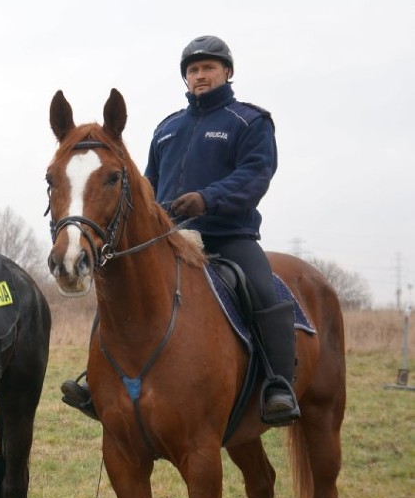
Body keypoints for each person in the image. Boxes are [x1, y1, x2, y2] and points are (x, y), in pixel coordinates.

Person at [61, 35, 300, 427]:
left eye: (208, 68)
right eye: (192, 70)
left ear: (227, 72)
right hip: (170, 237)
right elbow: (147, 183)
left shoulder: (250, 121)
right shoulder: (168, 127)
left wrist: (208, 199)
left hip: (229, 236)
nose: (200, 76)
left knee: (259, 286)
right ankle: (97, 380)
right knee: (116, 284)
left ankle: (277, 385)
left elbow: (256, 175)